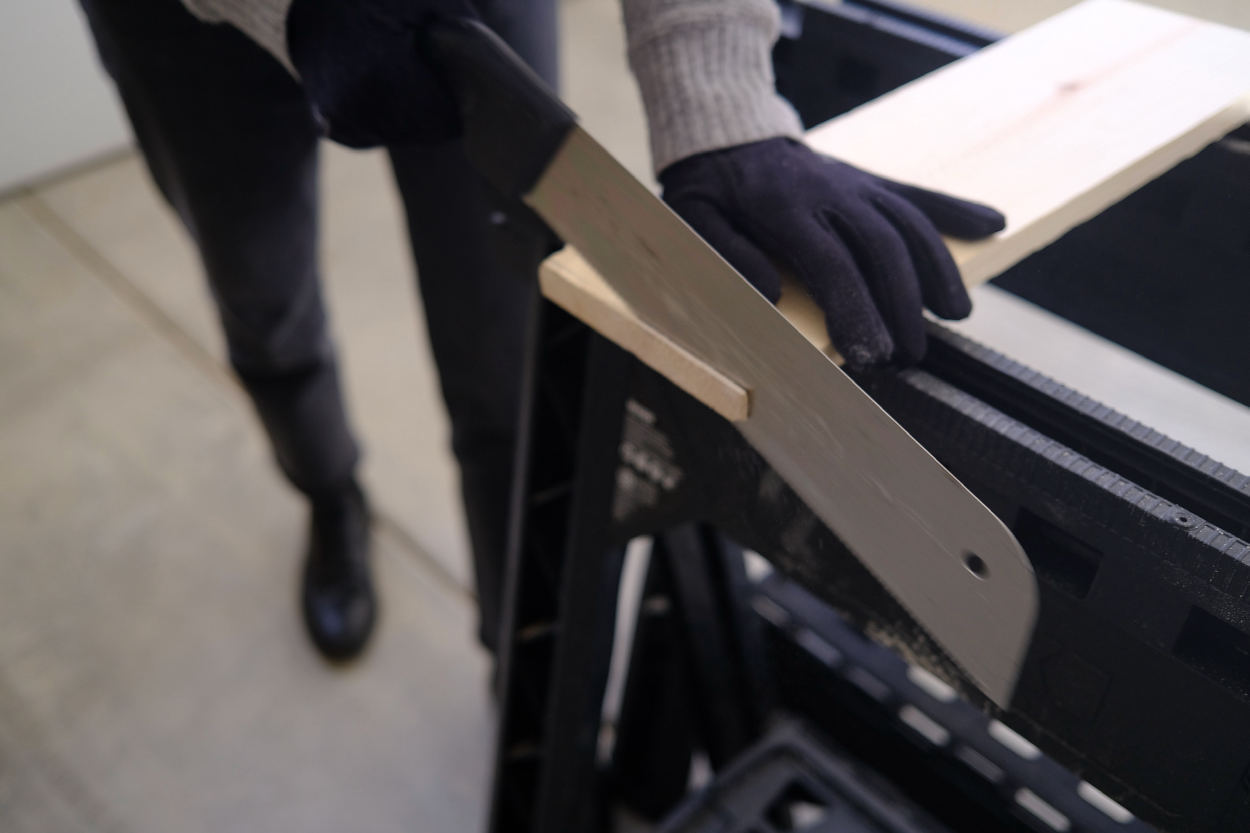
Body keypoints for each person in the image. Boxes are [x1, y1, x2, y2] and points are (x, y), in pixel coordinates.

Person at [78, 0, 1004, 663]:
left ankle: (513, 641)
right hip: (177, 29)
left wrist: (721, 107)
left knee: (508, 357)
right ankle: (329, 493)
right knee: (263, 305)